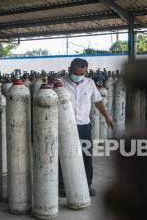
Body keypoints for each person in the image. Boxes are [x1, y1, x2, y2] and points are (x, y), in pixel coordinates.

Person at [60, 58, 114, 197]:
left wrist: (106, 116)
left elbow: (97, 101)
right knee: (64, 155)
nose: (79, 76)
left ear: (86, 72)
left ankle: (87, 184)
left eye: (82, 74)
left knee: (86, 156)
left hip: (83, 126)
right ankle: (63, 186)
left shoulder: (89, 83)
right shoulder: (61, 83)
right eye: (76, 73)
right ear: (69, 70)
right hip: (65, 126)